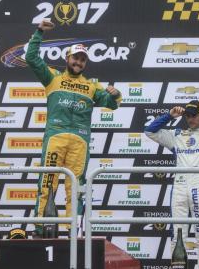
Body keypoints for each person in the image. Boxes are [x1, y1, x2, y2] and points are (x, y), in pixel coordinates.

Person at [25, 20, 122, 237]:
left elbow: (112, 104)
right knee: (47, 184)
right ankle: (41, 229)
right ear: (67, 58)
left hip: (80, 140)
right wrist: (39, 32)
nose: (78, 62)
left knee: (75, 189)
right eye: (75, 58)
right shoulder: (52, 78)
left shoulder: (91, 86)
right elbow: (31, 58)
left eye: (82, 60)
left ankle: (72, 231)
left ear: (85, 63)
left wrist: (116, 94)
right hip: (55, 138)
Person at [145, 100, 199, 269]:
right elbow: (149, 131)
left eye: (194, 115)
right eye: (187, 115)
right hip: (179, 187)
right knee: (177, 235)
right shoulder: (176, 135)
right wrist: (169, 115)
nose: (190, 118)